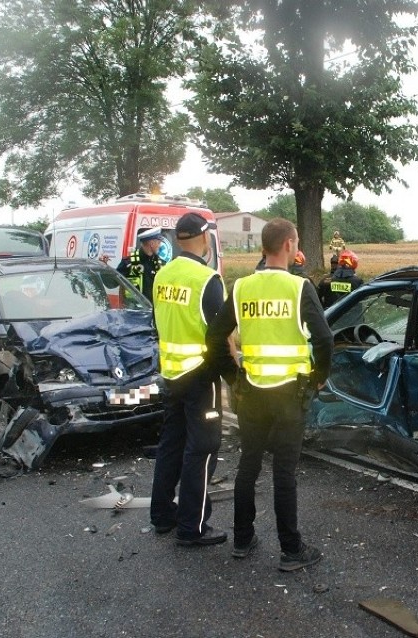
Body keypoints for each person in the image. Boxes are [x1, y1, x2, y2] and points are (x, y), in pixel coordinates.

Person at [206, 218, 333, 571]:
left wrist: (233, 377)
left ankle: (243, 540)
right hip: (289, 394)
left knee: (248, 465)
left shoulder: (242, 288)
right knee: (284, 473)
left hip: (252, 393)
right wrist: (320, 376)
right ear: (291, 245)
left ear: (263, 248)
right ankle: (291, 550)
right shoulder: (299, 287)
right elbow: (324, 339)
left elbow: (215, 338)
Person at [149, 212, 229, 547]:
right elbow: (221, 338)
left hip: (171, 374)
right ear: (204, 237)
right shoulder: (208, 280)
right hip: (200, 376)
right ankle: (191, 527)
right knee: (203, 449)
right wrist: (233, 380)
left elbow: (158, 323)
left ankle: (162, 515)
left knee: (171, 444)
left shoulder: (162, 276)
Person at [116, 228, 164, 302]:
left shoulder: (160, 263)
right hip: (134, 311)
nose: (160, 245)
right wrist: (104, 267)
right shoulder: (129, 262)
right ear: (152, 244)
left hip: (155, 311)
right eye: (158, 242)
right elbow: (111, 284)